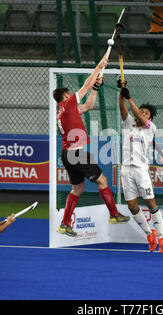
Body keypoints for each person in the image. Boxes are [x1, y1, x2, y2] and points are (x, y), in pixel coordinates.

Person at [53, 56, 130, 237]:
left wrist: (96, 87)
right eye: (70, 94)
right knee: (102, 181)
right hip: (76, 154)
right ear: (65, 96)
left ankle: (65, 224)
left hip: (67, 154)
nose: (73, 95)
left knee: (78, 189)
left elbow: (88, 105)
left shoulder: (63, 111)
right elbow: (85, 86)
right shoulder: (68, 103)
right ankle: (114, 214)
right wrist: (99, 66)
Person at [118, 79, 163, 253]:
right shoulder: (129, 123)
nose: (142, 114)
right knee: (132, 206)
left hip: (141, 170)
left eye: (146, 113)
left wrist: (129, 97)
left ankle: (161, 237)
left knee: (150, 202)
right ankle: (149, 234)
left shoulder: (150, 127)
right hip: (126, 170)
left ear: (150, 118)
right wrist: (121, 92)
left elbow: (136, 113)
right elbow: (123, 109)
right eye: (142, 111)